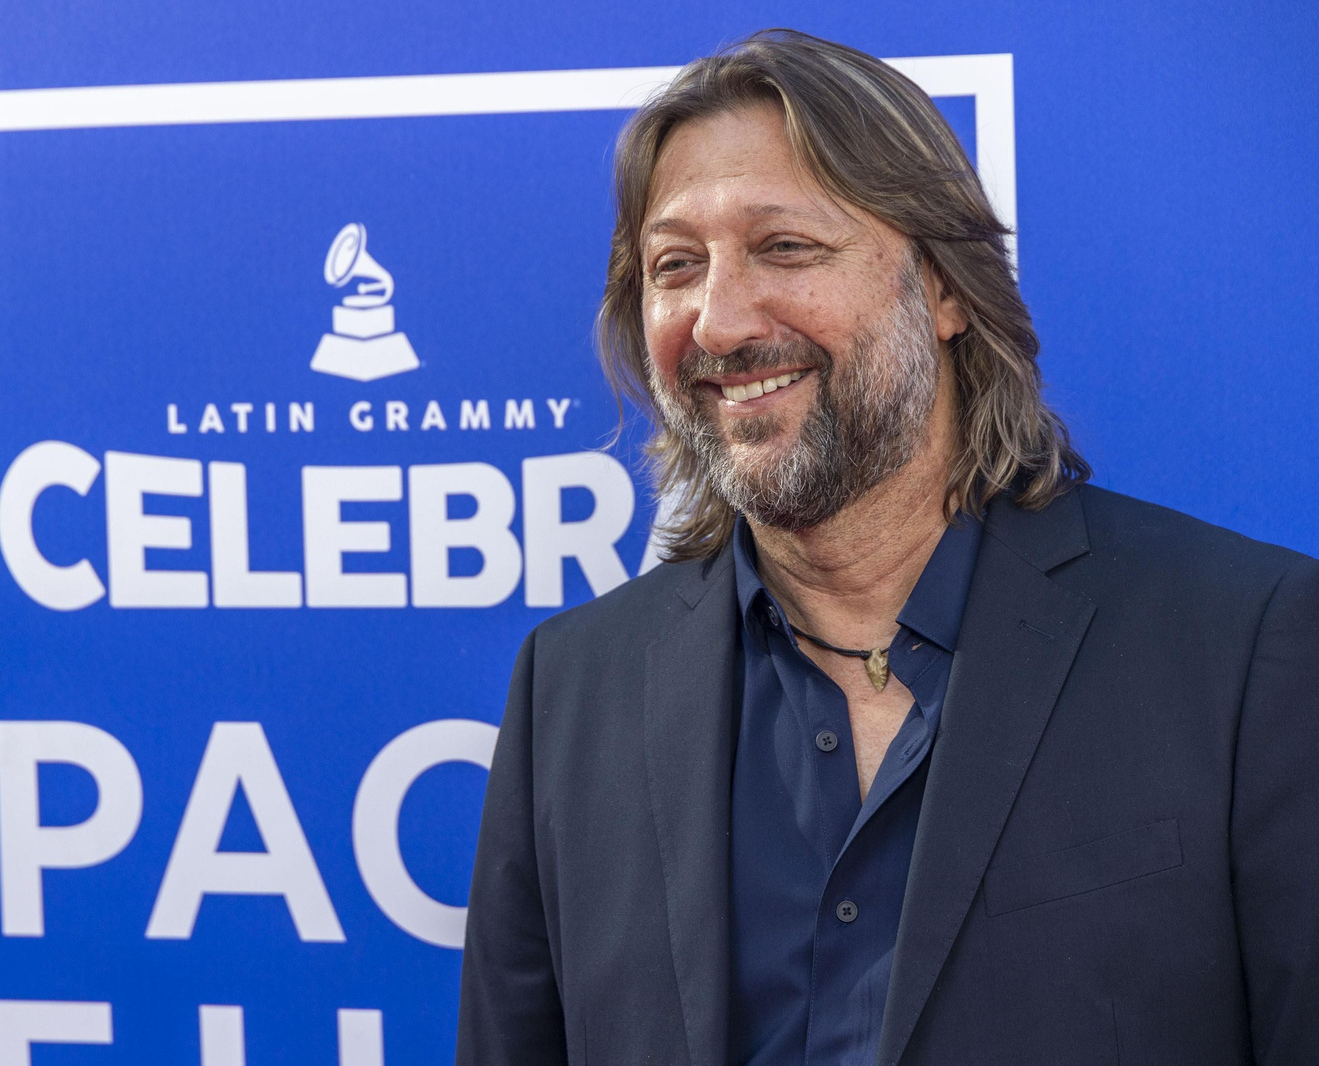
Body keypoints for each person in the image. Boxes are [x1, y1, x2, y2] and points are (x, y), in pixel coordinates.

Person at [456, 28, 1319, 1066]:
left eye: (786, 247)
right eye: (674, 265)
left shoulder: (1248, 648)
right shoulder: (574, 687)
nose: (718, 321)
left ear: (946, 288)